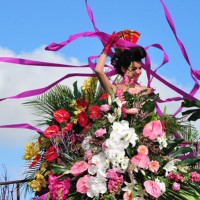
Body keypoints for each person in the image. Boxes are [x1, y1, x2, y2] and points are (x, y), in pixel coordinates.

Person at [95, 30, 147, 95]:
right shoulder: (115, 90)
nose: (138, 72)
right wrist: (107, 47)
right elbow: (98, 70)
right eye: (133, 69)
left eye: (140, 68)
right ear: (123, 69)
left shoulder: (146, 91)